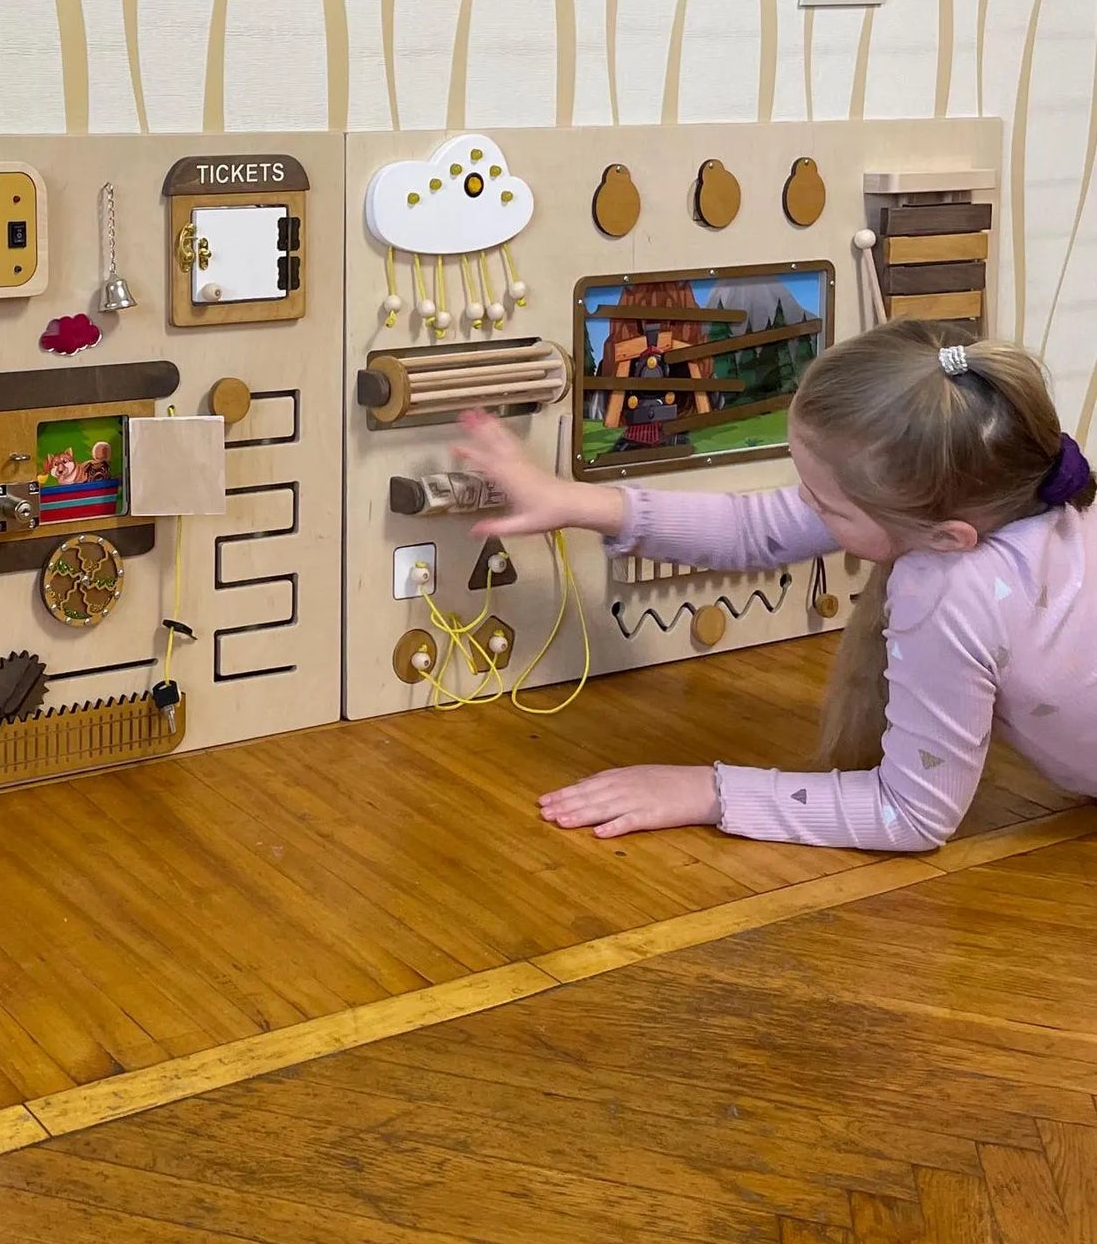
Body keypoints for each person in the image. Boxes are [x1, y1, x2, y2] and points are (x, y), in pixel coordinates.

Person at [452, 319, 1095, 850]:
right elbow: (753, 527)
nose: (805, 507)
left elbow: (908, 814)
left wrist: (709, 790)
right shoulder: (1018, 492)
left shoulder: (953, 588)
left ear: (948, 536)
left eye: (826, 504)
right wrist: (569, 501)